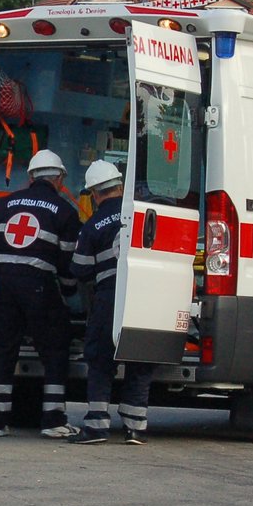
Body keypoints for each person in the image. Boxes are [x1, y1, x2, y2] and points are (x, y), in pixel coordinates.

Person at [0, 149, 82, 439]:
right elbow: (68, 262)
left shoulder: (4, 204)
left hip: (4, 288)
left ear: (31, 176)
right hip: (38, 287)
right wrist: (69, 293)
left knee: (3, 350)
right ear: (59, 179)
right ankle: (53, 420)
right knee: (56, 349)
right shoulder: (66, 211)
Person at [71, 159, 153, 445]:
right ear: (120, 185)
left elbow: (80, 269)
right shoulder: (143, 214)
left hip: (108, 296)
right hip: (142, 295)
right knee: (140, 356)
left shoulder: (92, 225)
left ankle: (96, 425)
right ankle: (135, 425)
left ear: (94, 194)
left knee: (100, 357)